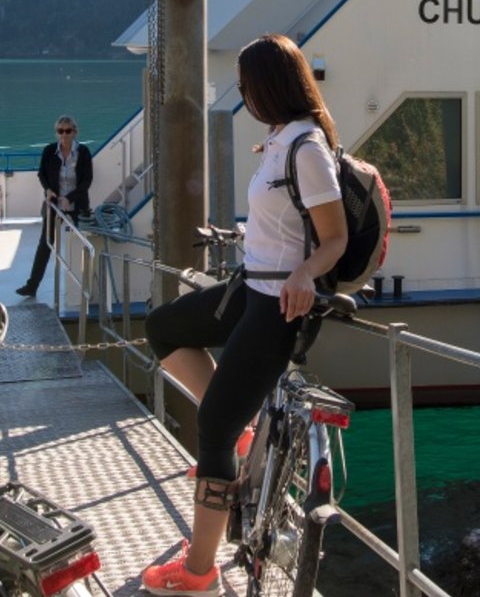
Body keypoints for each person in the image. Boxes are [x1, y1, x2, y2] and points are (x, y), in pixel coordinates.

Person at [137, 35, 349, 595]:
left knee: (211, 429)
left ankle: (200, 570)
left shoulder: (307, 147)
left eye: (246, 84)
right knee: (163, 328)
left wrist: (305, 274)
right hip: (249, 288)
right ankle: (235, 430)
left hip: (278, 305)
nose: (243, 94)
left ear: (269, 87)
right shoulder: (279, 139)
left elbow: (334, 239)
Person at [17, 115, 93, 299]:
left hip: (77, 206)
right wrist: (48, 190)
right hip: (54, 206)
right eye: (60, 131)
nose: (64, 135)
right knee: (45, 244)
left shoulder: (83, 152)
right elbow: (41, 174)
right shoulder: (50, 151)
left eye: (68, 131)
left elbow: (86, 180)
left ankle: (87, 287)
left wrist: (70, 197)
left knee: (82, 244)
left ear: (75, 132)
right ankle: (32, 285)